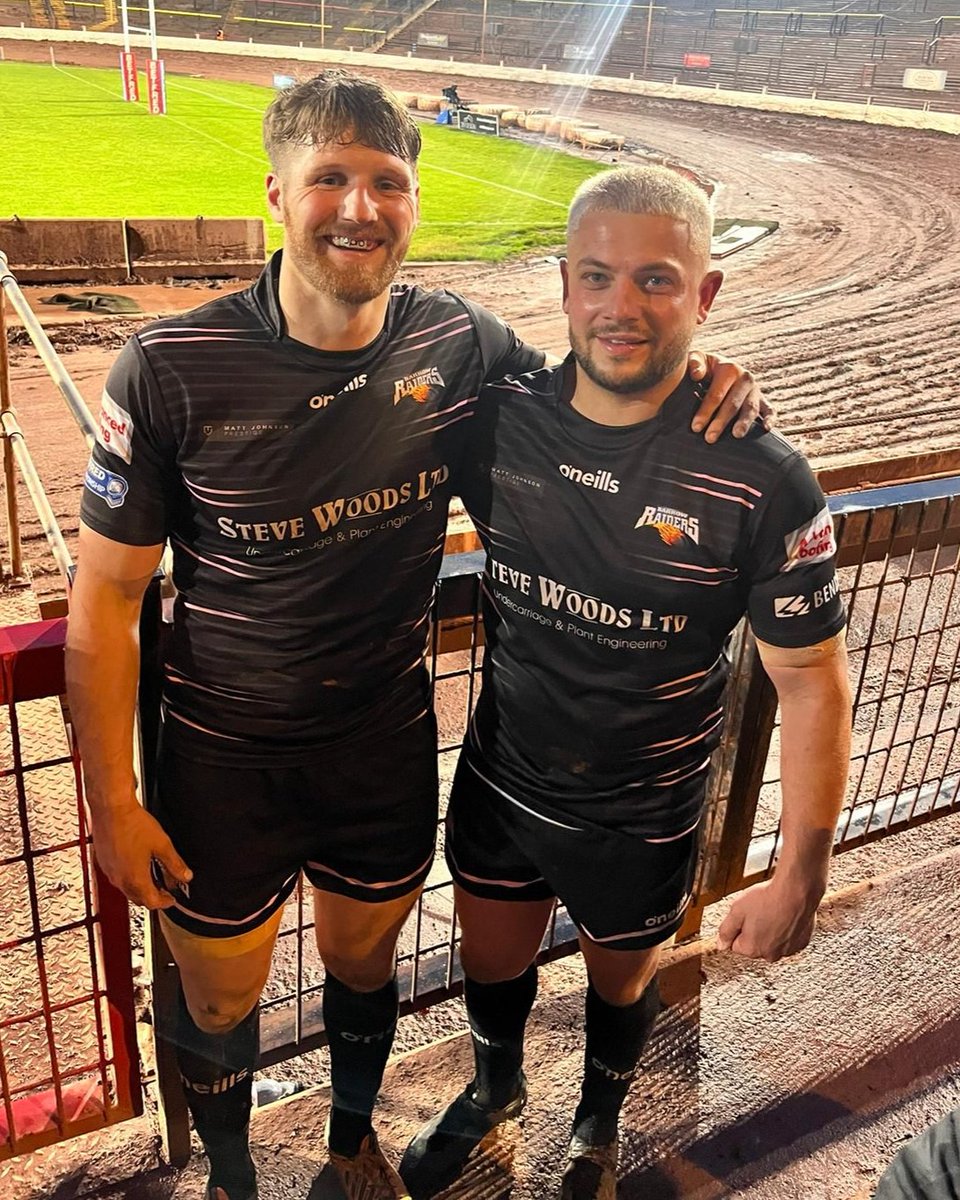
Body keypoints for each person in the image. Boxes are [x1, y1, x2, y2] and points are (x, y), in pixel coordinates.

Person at [65, 74, 765, 1200]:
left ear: (413, 202)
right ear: (275, 196)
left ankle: (349, 1148)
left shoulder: (462, 344)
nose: (359, 206)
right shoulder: (170, 369)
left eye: (386, 181)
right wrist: (113, 797)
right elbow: (103, 603)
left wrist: (706, 381)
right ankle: (236, 1178)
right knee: (219, 998)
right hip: (219, 757)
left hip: (381, 742)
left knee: (361, 963)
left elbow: (600, 398)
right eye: (329, 178)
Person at [399, 164, 852, 1200]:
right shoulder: (494, 421)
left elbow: (815, 683)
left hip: (643, 810)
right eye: (597, 276)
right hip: (505, 782)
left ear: (705, 295)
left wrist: (801, 871)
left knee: (623, 984)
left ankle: (598, 1120)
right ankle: (496, 1091)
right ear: (563, 285)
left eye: (656, 280)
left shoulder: (761, 477)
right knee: (493, 967)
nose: (621, 307)